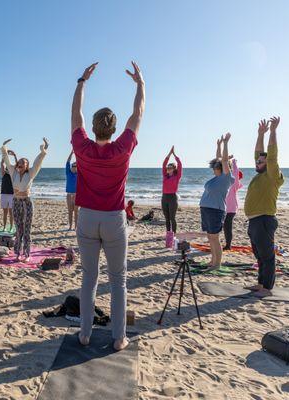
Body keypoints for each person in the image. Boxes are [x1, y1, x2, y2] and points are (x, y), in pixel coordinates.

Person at [71, 61, 144, 351]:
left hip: (87, 218)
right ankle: (118, 338)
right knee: (118, 281)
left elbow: (75, 114)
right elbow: (137, 113)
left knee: (89, 278)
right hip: (114, 219)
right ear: (114, 129)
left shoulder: (83, 146)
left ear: (93, 127)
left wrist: (82, 81)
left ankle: (85, 334)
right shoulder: (122, 147)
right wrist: (140, 84)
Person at [244, 117, 284, 298]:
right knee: (259, 256)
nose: (257, 162)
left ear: (268, 165)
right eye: (257, 161)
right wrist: (260, 134)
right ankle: (261, 284)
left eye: (260, 162)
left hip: (265, 220)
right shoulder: (261, 174)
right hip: (254, 221)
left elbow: (271, 155)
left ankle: (267, 288)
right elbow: (258, 152)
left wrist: (273, 132)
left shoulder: (271, 175)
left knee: (267, 256)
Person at [1, 137, 49, 261]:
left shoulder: (31, 173)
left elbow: (38, 162)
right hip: (16, 201)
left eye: (25, 162)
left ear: (27, 166)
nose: (22, 163)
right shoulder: (13, 172)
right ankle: (17, 253)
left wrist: (43, 150)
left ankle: (27, 254)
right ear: (18, 164)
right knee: (19, 229)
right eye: (20, 161)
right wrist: (4, 148)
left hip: (27, 202)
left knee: (27, 229)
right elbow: (6, 160)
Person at [199, 133, 234, 271]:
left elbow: (224, 160)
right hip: (207, 209)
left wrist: (225, 143)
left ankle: (217, 264)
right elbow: (219, 159)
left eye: (216, 167)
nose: (214, 168)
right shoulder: (216, 177)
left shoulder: (226, 177)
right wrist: (218, 146)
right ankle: (213, 261)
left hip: (216, 210)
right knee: (210, 237)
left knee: (214, 238)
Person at [161, 146, 182, 245]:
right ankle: (168, 235)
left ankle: (174, 235)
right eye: (167, 168)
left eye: (170, 168)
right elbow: (164, 163)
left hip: (172, 198)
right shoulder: (165, 175)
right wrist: (169, 154)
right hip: (164, 197)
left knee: (172, 218)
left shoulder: (177, 177)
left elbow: (180, 165)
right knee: (166, 218)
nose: (168, 169)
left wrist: (175, 155)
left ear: (174, 169)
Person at [223, 158, 243, 250]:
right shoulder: (226, 181)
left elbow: (235, 172)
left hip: (231, 209)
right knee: (225, 226)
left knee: (227, 226)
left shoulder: (234, 184)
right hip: (224, 207)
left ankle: (228, 245)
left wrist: (234, 162)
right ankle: (227, 244)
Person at [0, 149, 17, 232]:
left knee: (11, 213)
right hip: (4, 194)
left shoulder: (14, 174)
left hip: (12, 195)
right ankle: (4, 227)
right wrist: (5, 154)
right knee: (5, 213)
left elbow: (18, 165)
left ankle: (10, 227)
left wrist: (14, 156)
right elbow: (2, 163)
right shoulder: (4, 174)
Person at [65, 150, 79, 230]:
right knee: (70, 211)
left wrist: (77, 155)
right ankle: (70, 226)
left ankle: (76, 227)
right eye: (73, 166)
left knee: (76, 212)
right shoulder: (68, 172)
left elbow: (81, 162)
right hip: (69, 195)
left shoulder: (79, 174)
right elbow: (68, 161)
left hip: (77, 195)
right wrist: (71, 153)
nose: (74, 167)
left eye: (76, 166)